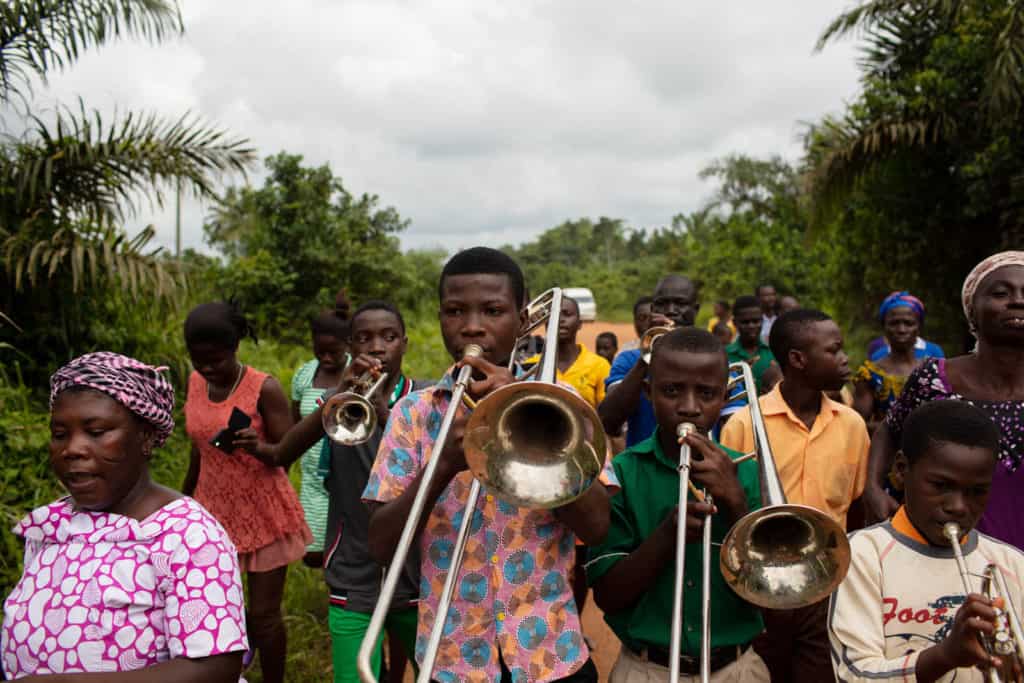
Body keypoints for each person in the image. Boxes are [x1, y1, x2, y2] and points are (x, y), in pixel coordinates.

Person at [363, 247, 617, 683]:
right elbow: (382, 546)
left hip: (549, 656)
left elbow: (596, 527)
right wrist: (442, 464)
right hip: (451, 662)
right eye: (455, 311)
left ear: (522, 320)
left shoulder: (563, 406)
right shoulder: (413, 414)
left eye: (493, 310)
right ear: (440, 317)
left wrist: (535, 427)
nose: (472, 326)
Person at [1, 352, 247, 681]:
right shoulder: (54, 525)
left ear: (145, 437)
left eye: (97, 431)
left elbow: (215, 668)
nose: (72, 449)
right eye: (60, 434)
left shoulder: (187, 535)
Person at [236, 300, 426, 683]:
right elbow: (283, 453)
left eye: (388, 337)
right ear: (350, 348)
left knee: (439, 672)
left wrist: (388, 417)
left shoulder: (425, 399)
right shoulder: (336, 402)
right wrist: (341, 394)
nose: (377, 347)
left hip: (418, 571)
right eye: (365, 339)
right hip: (352, 570)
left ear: (405, 343)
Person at [587, 328, 769, 682]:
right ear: (648, 393)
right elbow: (608, 596)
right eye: (671, 391)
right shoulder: (621, 474)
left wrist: (737, 505)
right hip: (645, 669)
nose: (689, 407)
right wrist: (667, 536)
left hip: (737, 669)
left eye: (706, 393)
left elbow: (775, 590)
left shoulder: (746, 472)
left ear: (725, 396)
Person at [721, 308, 870, 682]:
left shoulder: (852, 425)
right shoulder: (743, 424)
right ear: (798, 360)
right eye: (834, 350)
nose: (844, 358)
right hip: (759, 587)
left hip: (825, 588)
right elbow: (731, 510)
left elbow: (856, 506)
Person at [829, 400, 1024, 682]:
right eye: (941, 486)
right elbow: (855, 674)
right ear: (900, 470)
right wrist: (944, 656)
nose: (958, 506)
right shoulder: (861, 555)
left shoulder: (1012, 565)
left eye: (977, 491)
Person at [182, 302, 311, 683]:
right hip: (211, 512)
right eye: (198, 359)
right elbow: (199, 448)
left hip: (263, 512)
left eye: (216, 360)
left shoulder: (264, 388)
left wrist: (258, 447)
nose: (207, 368)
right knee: (218, 610)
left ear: (235, 346)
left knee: (263, 616)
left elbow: (285, 454)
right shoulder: (194, 382)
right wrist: (184, 501)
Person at [863, 251, 1024, 551]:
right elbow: (890, 428)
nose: (1017, 300)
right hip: (948, 547)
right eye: (1001, 293)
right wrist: (872, 487)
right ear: (971, 311)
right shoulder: (934, 377)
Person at [525, 296, 612, 617]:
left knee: (581, 557)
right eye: (556, 314)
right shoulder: (532, 366)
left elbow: (603, 418)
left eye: (569, 314)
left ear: (580, 322)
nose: (562, 319)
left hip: (579, 456)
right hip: (538, 456)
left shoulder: (598, 366)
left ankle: (572, 619)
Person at [601, 275, 700, 447]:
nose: (670, 310)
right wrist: (646, 356)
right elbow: (609, 422)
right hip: (642, 470)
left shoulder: (717, 358)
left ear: (695, 309)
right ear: (653, 310)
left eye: (680, 304)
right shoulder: (629, 360)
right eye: (662, 304)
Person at [291, 309, 350, 567]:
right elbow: (295, 427)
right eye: (320, 351)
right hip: (314, 481)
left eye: (333, 353)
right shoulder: (304, 376)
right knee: (313, 554)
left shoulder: (358, 373)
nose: (326, 358)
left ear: (347, 345)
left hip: (349, 479)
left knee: (348, 549)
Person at [853, 292, 929, 434]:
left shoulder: (932, 370)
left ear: (919, 327)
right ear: (884, 327)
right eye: (894, 323)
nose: (901, 330)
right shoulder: (869, 375)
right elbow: (857, 424)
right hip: (885, 452)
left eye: (909, 323)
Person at [726, 295, 780, 395]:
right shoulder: (725, 355)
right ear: (734, 323)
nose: (751, 326)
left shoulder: (774, 353)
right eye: (745, 322)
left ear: (762, 321)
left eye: (756, 321)